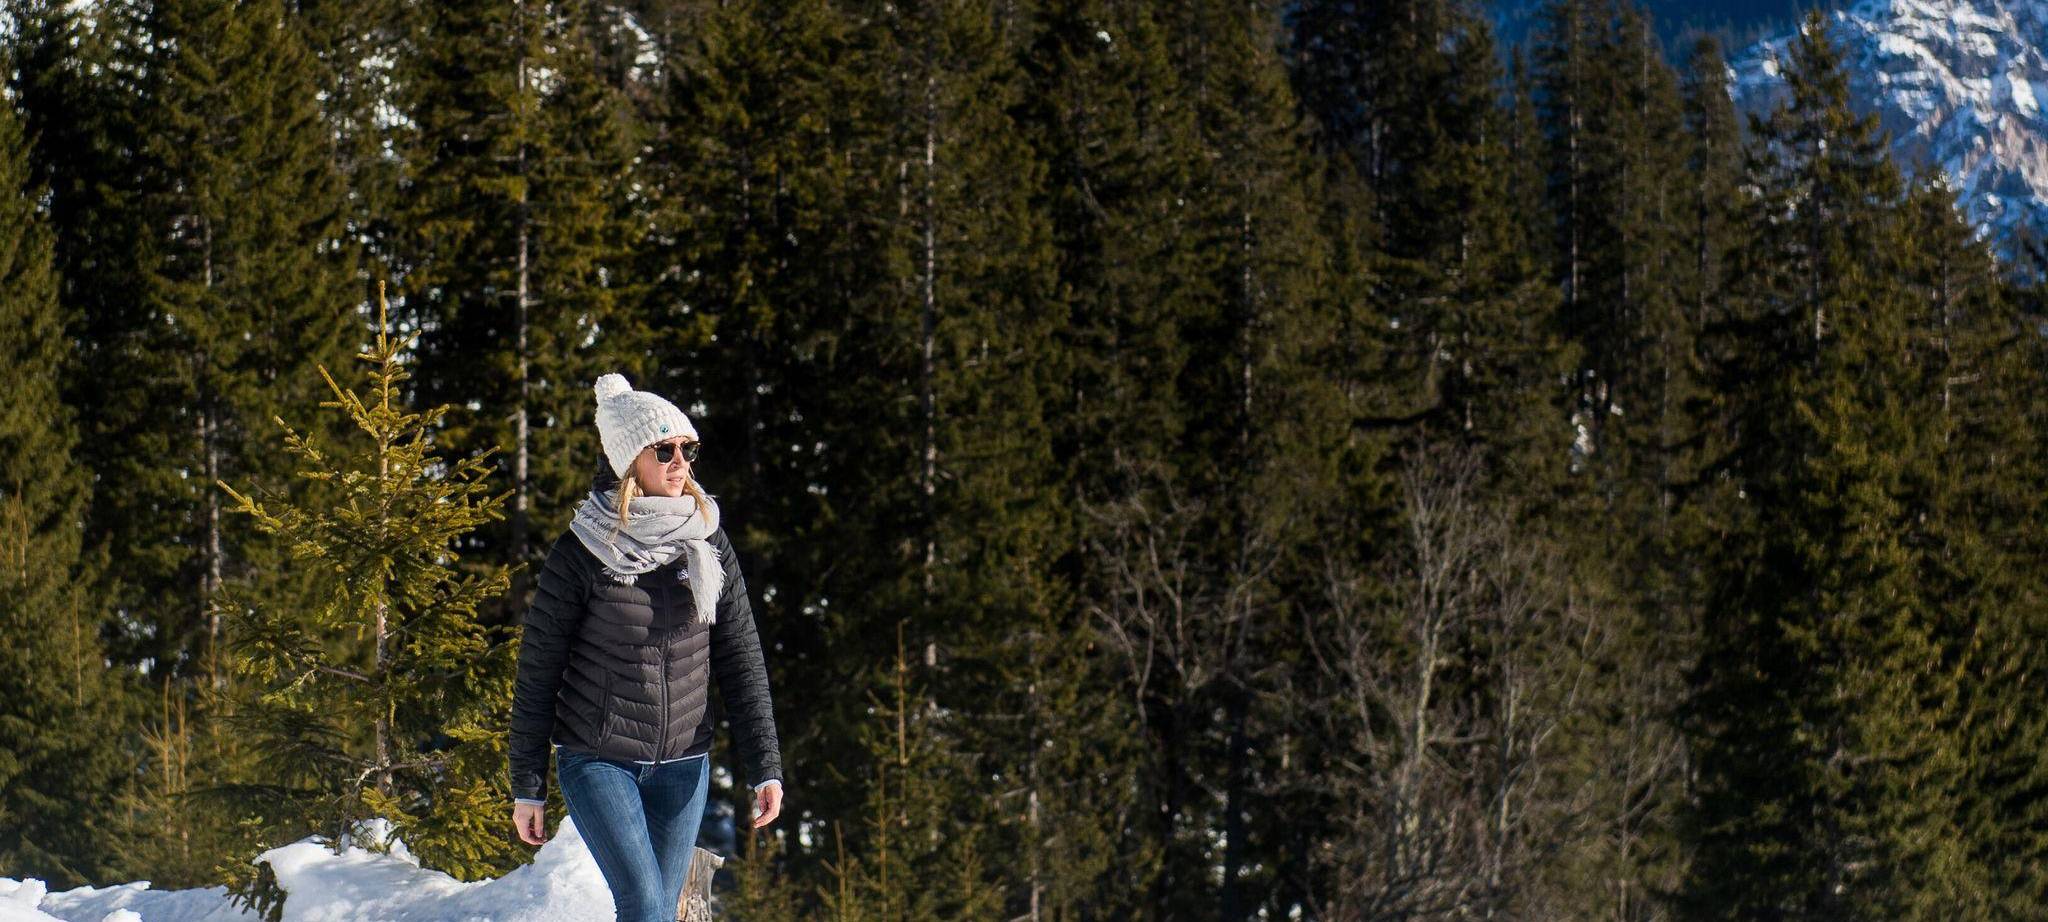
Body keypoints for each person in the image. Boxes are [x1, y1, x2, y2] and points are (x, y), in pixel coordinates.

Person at [508, 372, 784, 922]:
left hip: (685, 763)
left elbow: (741, 655)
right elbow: (538, 671)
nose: (680, 461)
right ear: (630, 462)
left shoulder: (707, 538)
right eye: (665, 450)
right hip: (600, 761)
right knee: (643, 907)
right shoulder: (583, 552)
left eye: (688, 448)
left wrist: (765, 765)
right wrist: (528, 786)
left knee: (658, 908)